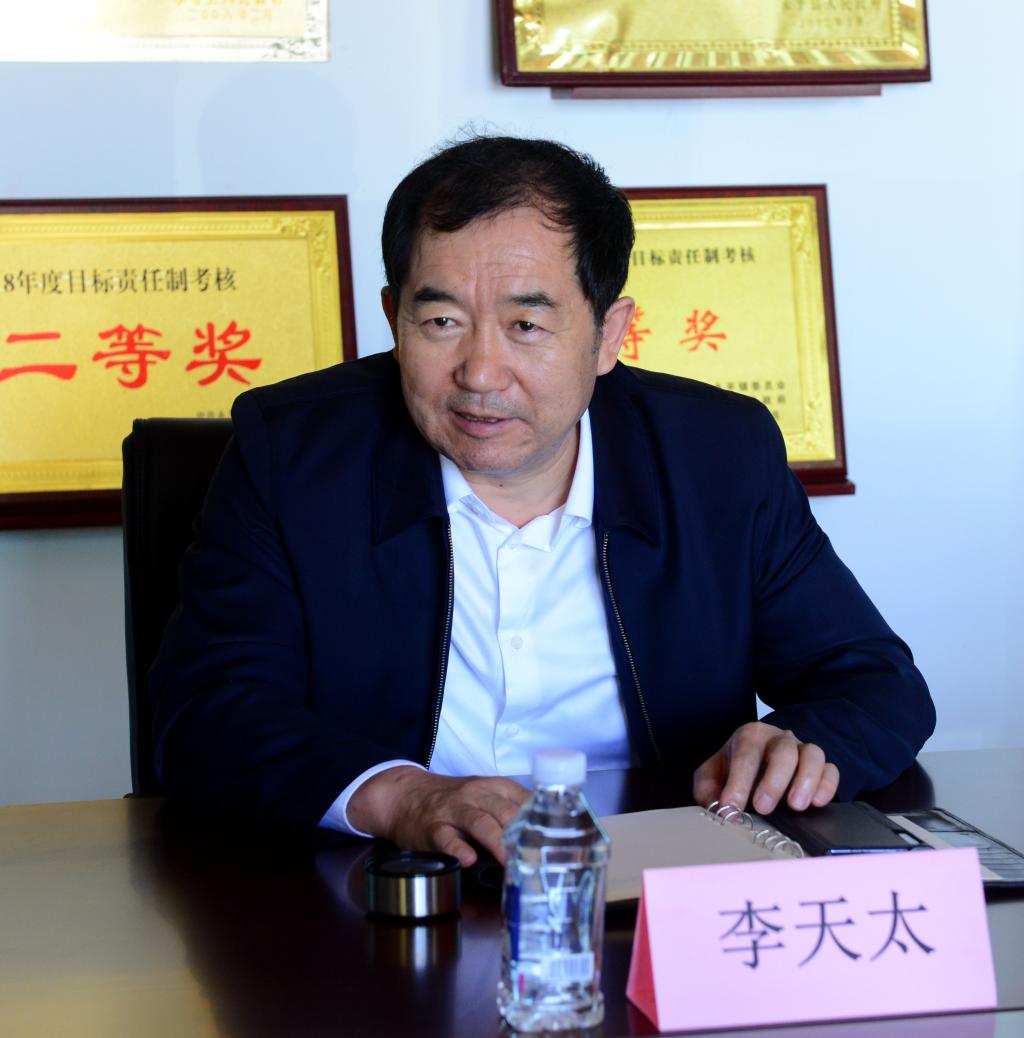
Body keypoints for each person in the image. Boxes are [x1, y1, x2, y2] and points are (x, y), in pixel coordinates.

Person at [151, 135, 934, 866]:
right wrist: (402, 796)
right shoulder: (290, 453)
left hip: (650, 884)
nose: (480, 373)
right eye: (441, 321)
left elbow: (873, 681)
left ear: (608, 334)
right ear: (394, 318)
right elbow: (207, 714)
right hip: (383, 889)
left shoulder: (717, 456)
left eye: (526, 324)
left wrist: (798, 744)